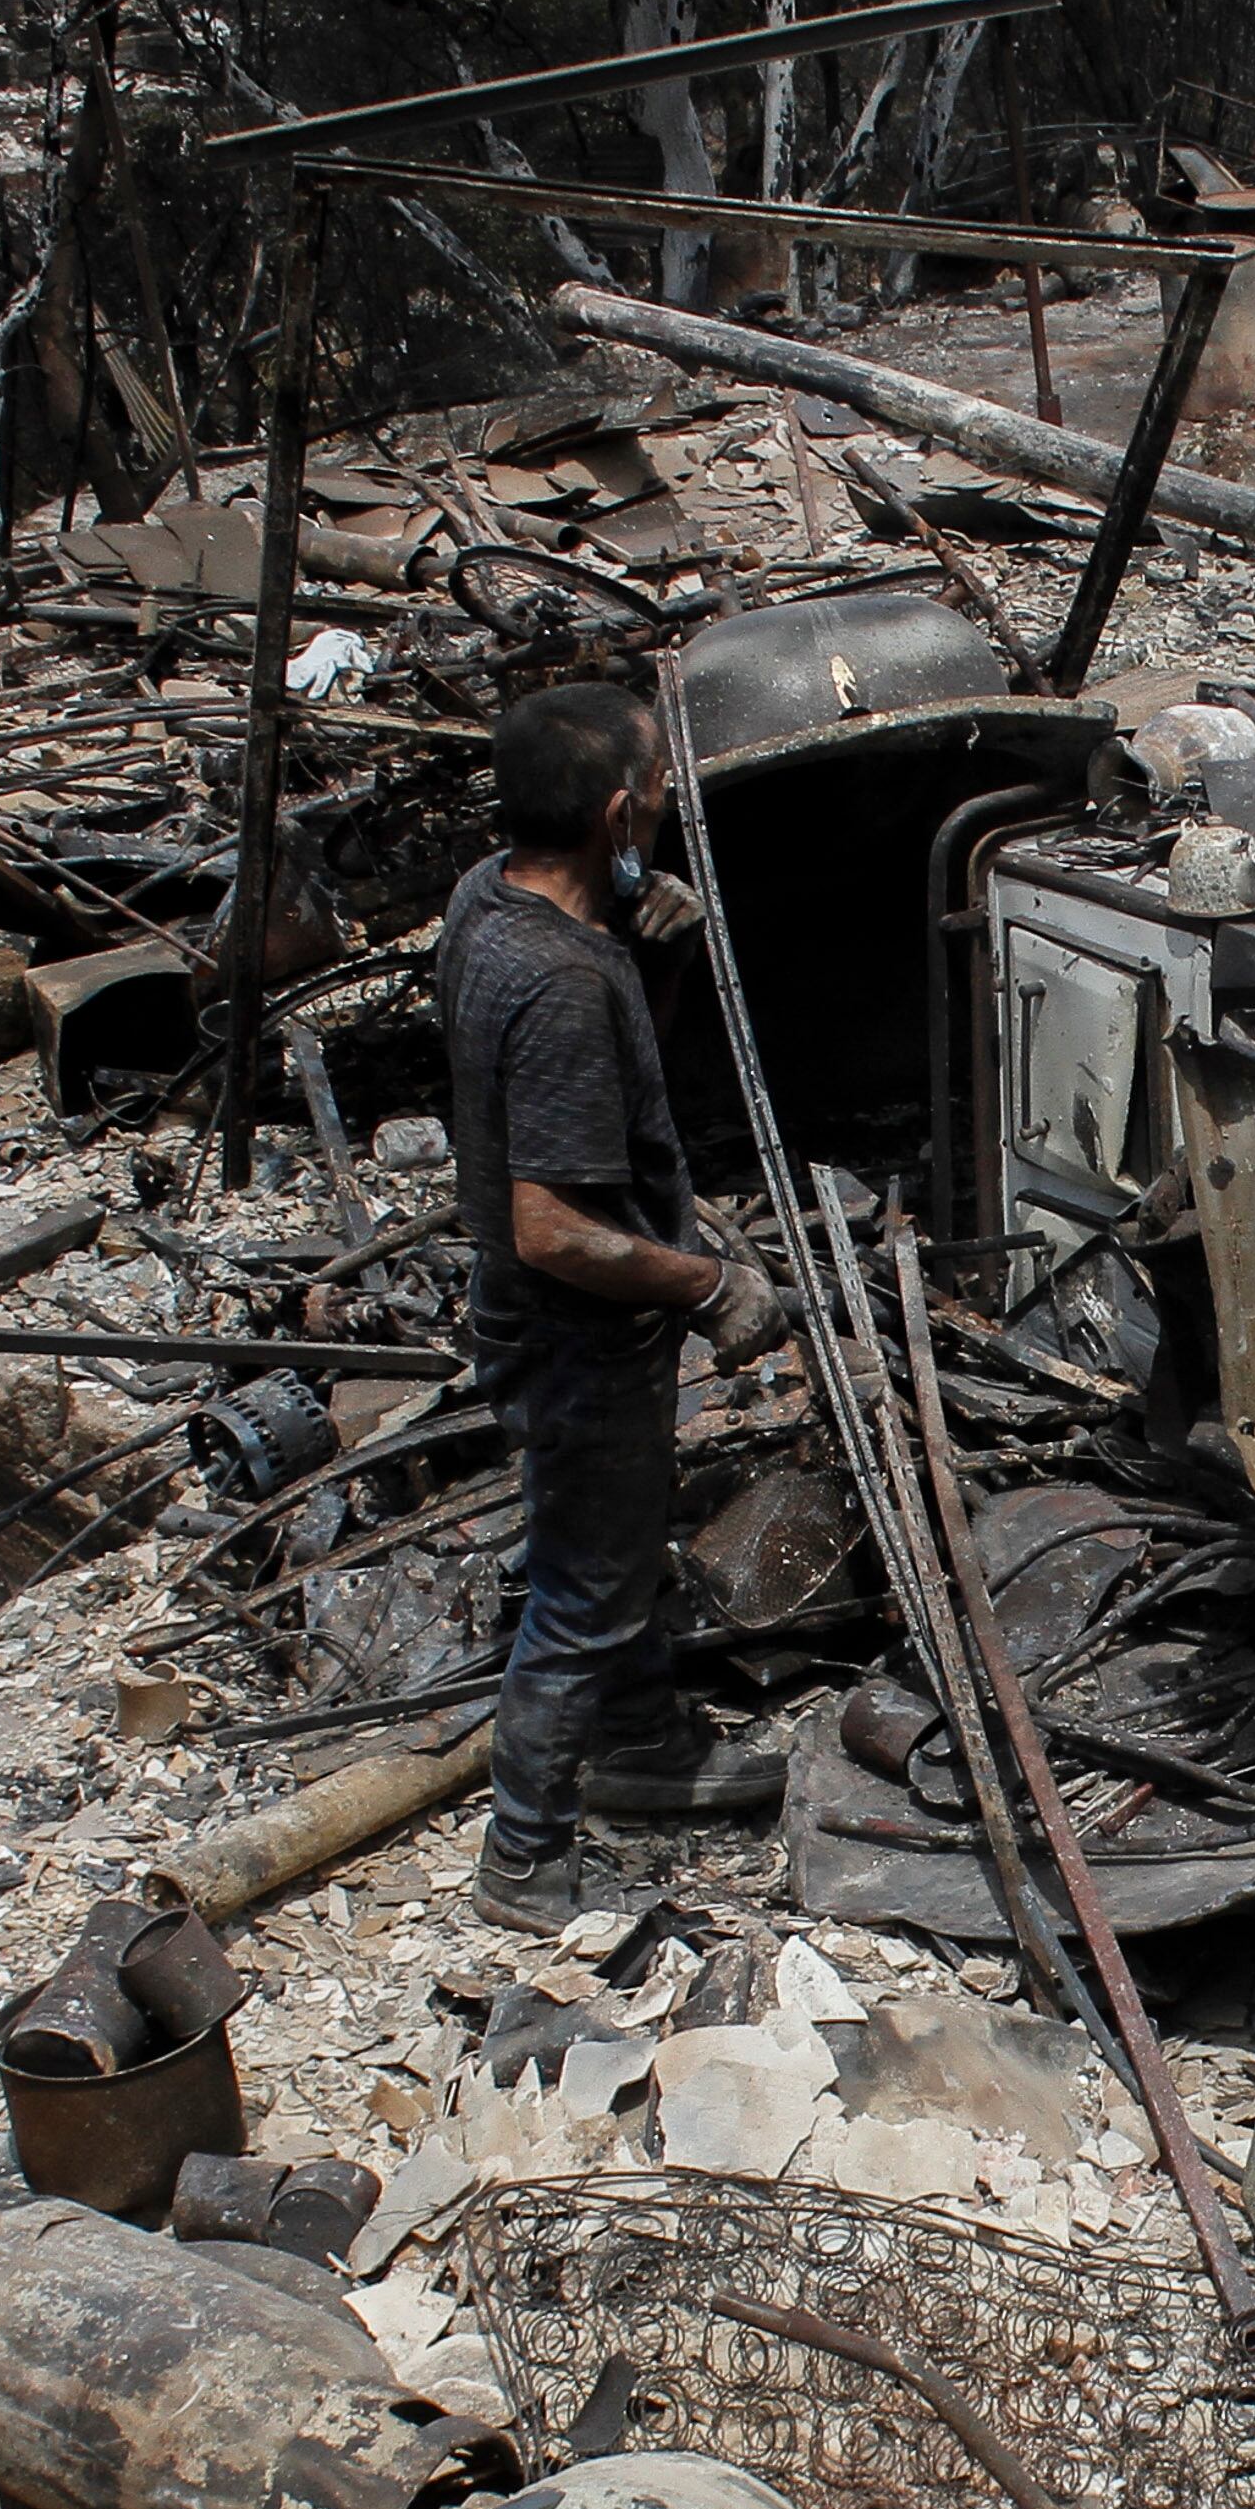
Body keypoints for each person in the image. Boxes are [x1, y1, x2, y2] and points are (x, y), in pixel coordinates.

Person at [441, 683, 796, 1936]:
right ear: (613, 811)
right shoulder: (557, 989)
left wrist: (651, 948)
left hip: (546, 1323)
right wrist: (710, 1285)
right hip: (576, 1330)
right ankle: (523, 1855)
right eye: (652, 789)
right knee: (579, 1588)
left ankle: (642, 1739)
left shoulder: (489, 899)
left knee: (610, 1533)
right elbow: (552, 1225)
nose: (664, 804)